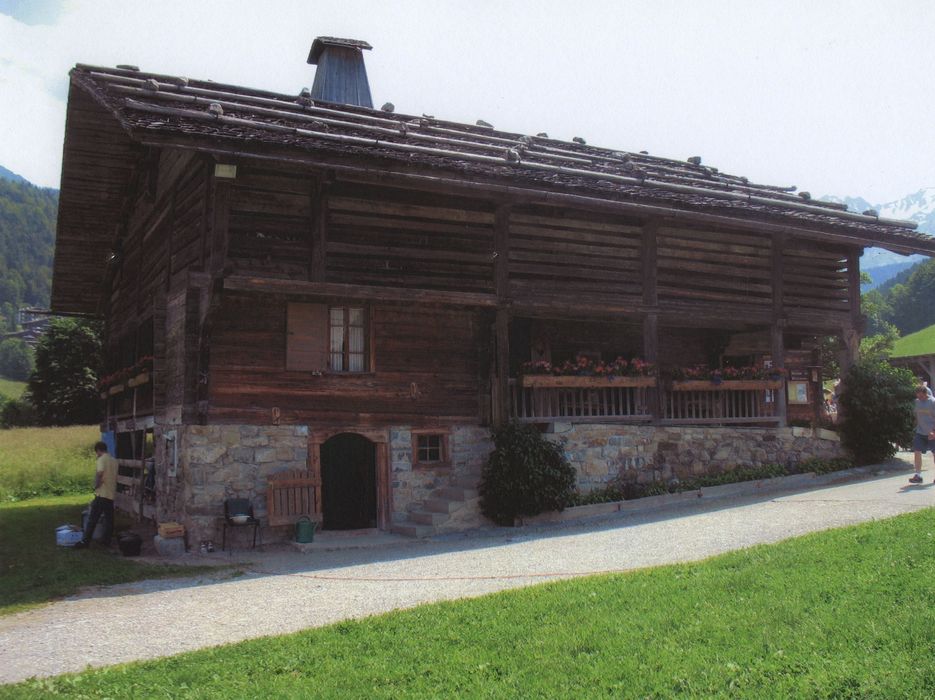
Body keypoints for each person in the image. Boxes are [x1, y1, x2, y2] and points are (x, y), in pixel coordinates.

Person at [73, 441, 118, 548]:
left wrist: (96, 486)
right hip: (111, 494)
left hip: (101, 494)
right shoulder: (114, 461)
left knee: (92, 519)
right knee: (109, 520)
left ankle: (85, 541)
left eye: (96, 452)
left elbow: (100, 474)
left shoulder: (101, 460)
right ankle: (106, 541)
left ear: (98, 450)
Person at [909, 384, 935, 484]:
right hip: (920, 432)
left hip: (932, 432)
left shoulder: (933, 402)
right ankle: (918, 475)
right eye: (918, 396)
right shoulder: (917, 402)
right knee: (917, 451)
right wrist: (916, 425)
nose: (919, 398)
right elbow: (917, 415)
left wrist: (933, 431)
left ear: (926, 393)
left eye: (921, 396)